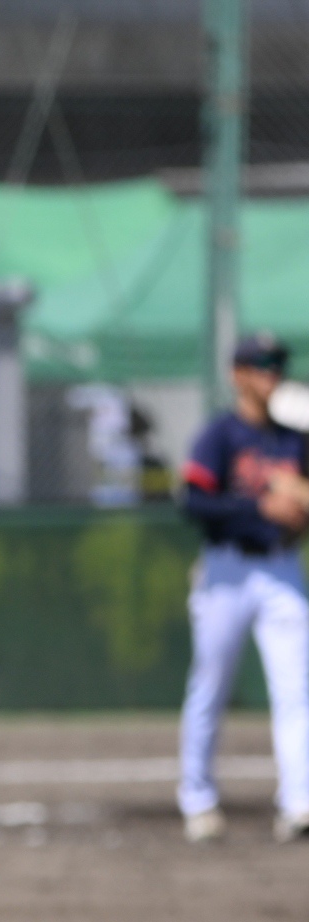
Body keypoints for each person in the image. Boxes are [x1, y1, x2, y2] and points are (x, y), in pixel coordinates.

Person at [177, 331, 309, 844]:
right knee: (210, 685)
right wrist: (258, 507)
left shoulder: (294, 440)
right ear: (237, 374)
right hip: (226, 570)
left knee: (296, 687)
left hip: (280, 568)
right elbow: (194, 502)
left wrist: (297, 511)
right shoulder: (221, 435)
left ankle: (299, 802)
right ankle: (197, 797)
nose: (271, 373)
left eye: (276, 364)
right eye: (260, 364)